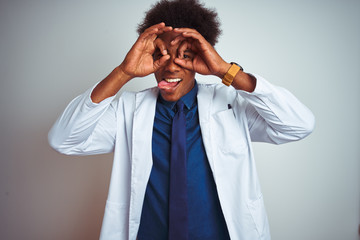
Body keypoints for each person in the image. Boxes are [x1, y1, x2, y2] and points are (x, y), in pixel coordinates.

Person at [48, 0, 315, 239]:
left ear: (202, 56)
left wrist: (225, 70)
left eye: (185, 56)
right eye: (160, 55)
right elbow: (63, 139)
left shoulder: (230, 106)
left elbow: (299, 125)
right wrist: (123, 73)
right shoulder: (128, 111)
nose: (171, 66)